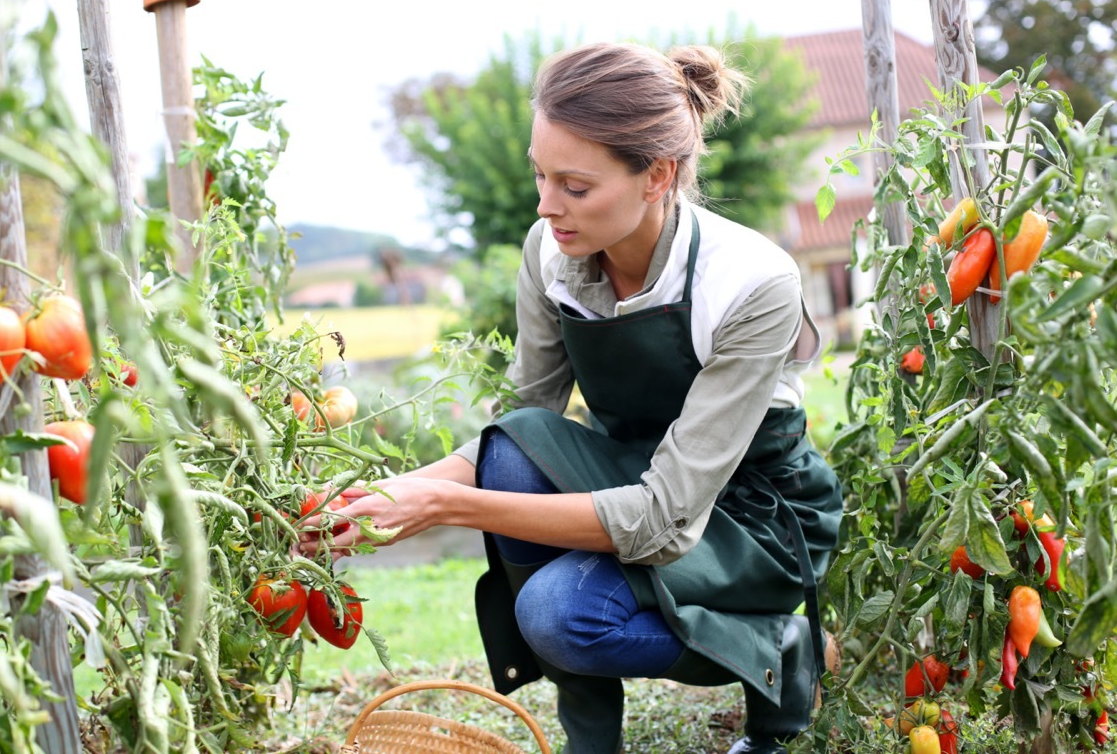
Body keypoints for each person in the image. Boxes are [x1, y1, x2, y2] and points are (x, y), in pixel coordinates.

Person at [303, 40, 844, 754]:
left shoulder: (751, 282)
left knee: (558, 616)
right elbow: (523, 431)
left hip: (749, 516)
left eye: (575, 186)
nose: (545, 204)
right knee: (518, 441)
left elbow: (665, 519)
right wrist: (380, 496)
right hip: (631, 470)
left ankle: (783, 645)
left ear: (658, 176)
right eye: (540, 175)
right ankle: (592, 744)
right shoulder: (550, 254)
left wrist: (443, 508)